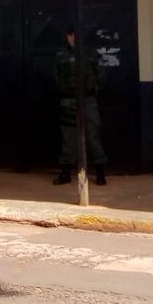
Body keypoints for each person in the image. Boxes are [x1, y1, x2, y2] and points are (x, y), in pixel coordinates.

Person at [54, 28, 107, 186]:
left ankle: (100, 172)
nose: (73, 38)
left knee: (93, 136)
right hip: (68, 100)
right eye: (70, 35)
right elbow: (56, 77)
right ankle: (65, 173)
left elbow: (101, 76)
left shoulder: (90, 54)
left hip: (87, 99)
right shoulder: (61, 56)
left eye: (75, 34)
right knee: (68, 138)